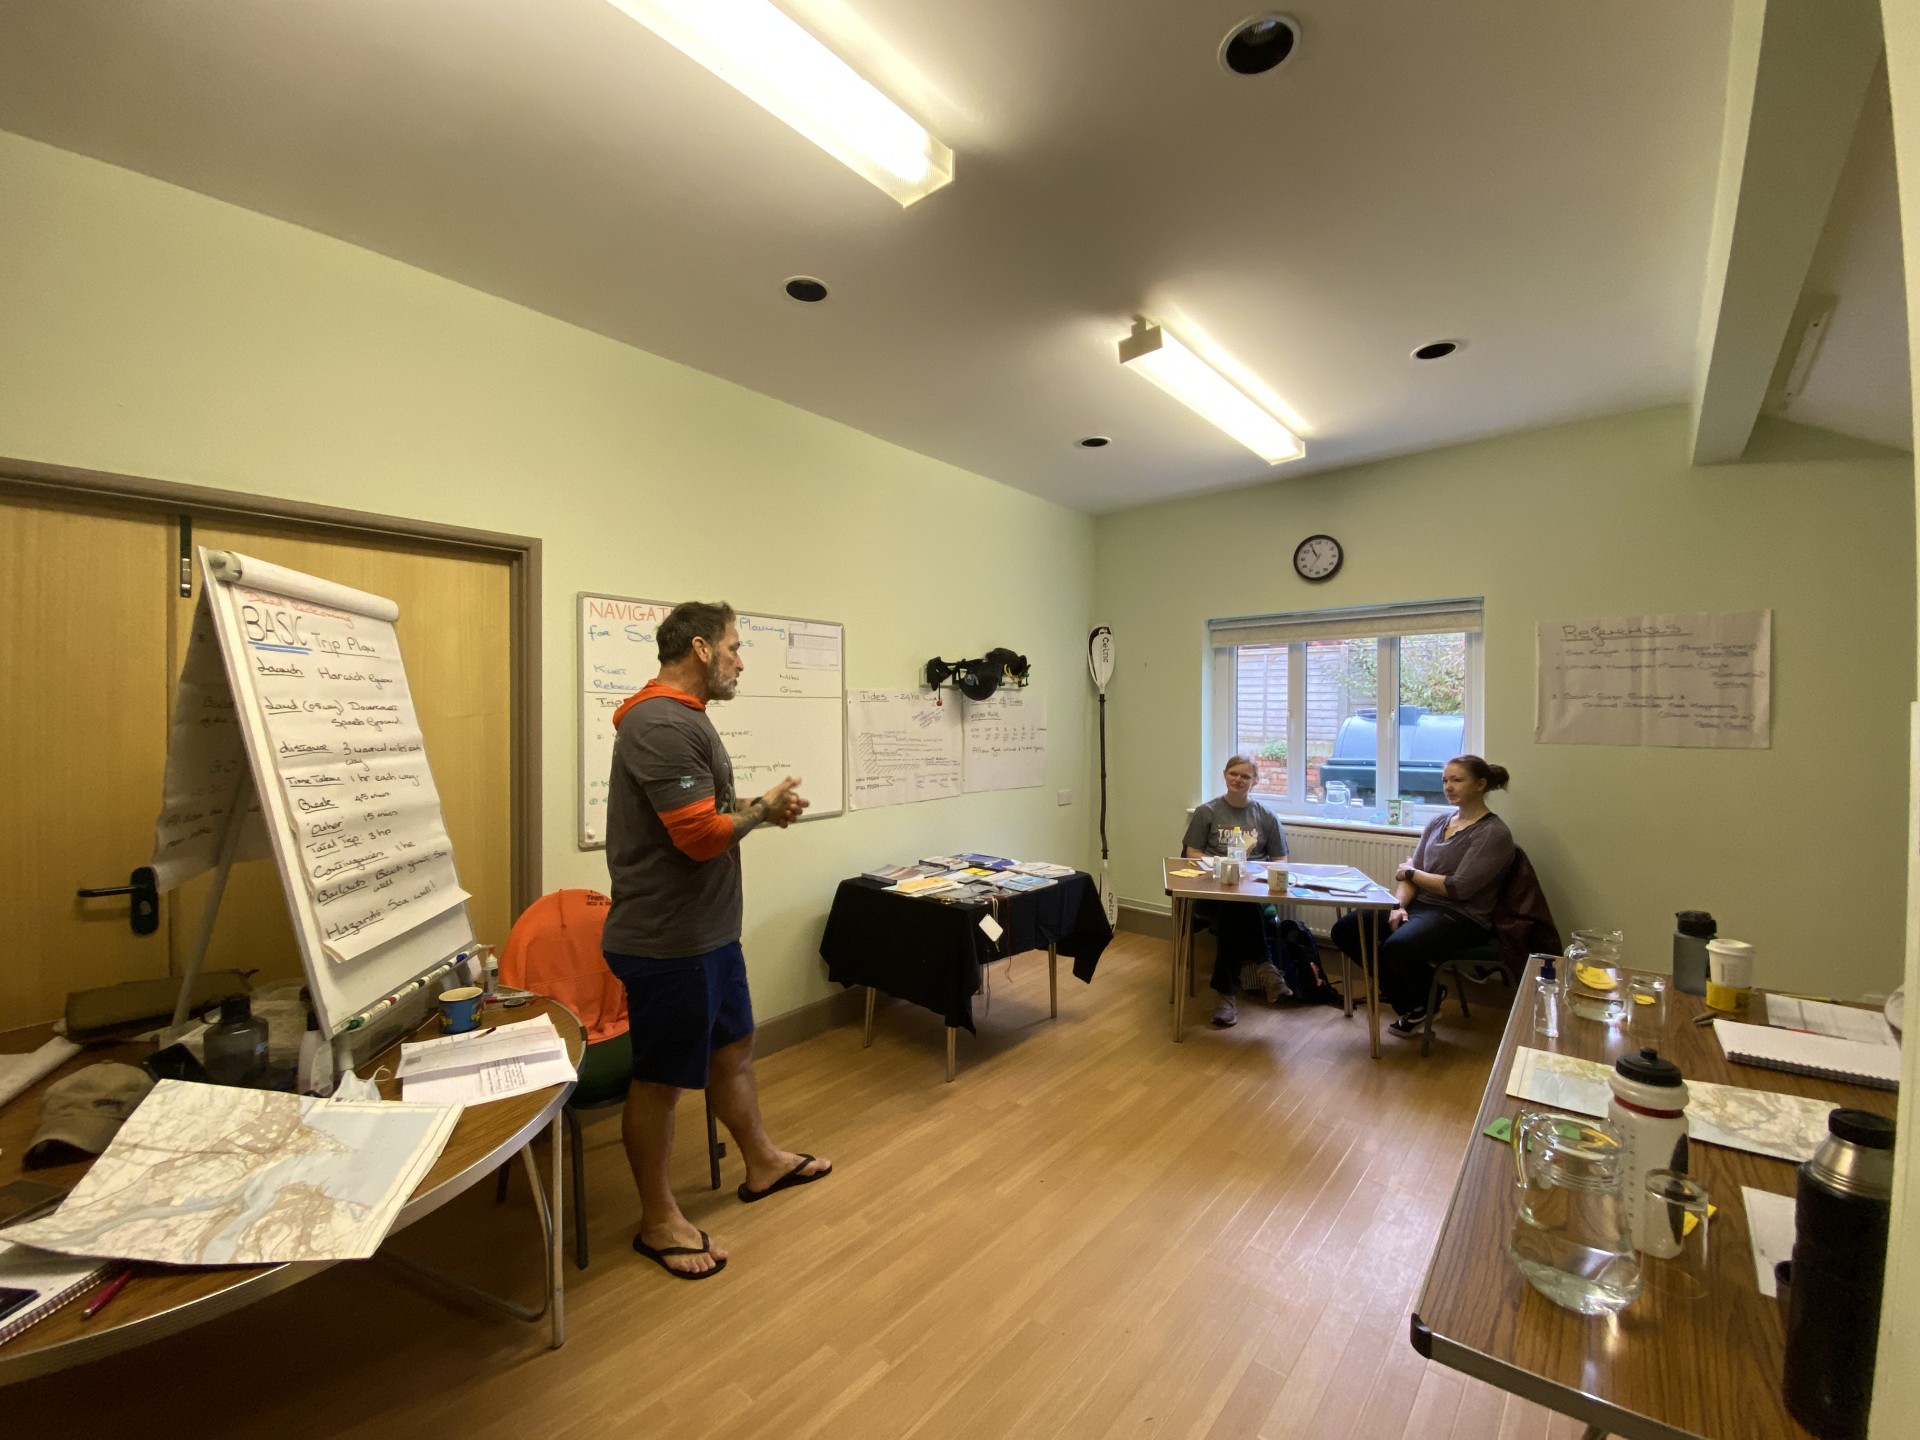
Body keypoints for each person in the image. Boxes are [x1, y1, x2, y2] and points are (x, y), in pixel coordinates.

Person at [601, 600, 831, 1279]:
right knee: (662, 1082)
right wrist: (759, 810)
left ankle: (760, 1161)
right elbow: (699, 838)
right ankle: (657, 1220)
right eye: (733, 647)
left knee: (733, 1051)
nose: (739, 660)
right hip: (668, 942)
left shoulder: (686, 722)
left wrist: (761, 811)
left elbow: (704, 814)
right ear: (700, 649)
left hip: (708, 935)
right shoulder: (660, 723)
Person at [1330, 754, 1515, 1039]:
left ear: (1480, 784)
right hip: (1421, 906)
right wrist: (1397, 906)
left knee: (1397, 946)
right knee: (1346, 929)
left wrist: (1411, 874)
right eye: (1445, 780)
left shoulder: (1493, 833)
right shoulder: (1439, 822)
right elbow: (1409, 875)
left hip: (1463, 917)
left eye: (1457, 780)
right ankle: (1421, 997)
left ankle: (1418, 1001)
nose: (1448, 786)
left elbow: (1458, 888)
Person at [1182, 754, 1291, 1027]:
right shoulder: (1206, 812)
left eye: (1245, 776)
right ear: (1224, 775)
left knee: (1237, 907)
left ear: (1255, 781)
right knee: (1235, 905)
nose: (1238, 780)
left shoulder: (1266, 816)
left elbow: (1281, 861)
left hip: (1251, 891)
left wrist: (1253, 875)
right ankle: (1265, 967)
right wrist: (1216, 864)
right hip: (1212, 889)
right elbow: (1192, 853)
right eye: (1234, 774)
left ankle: (1226, 997)